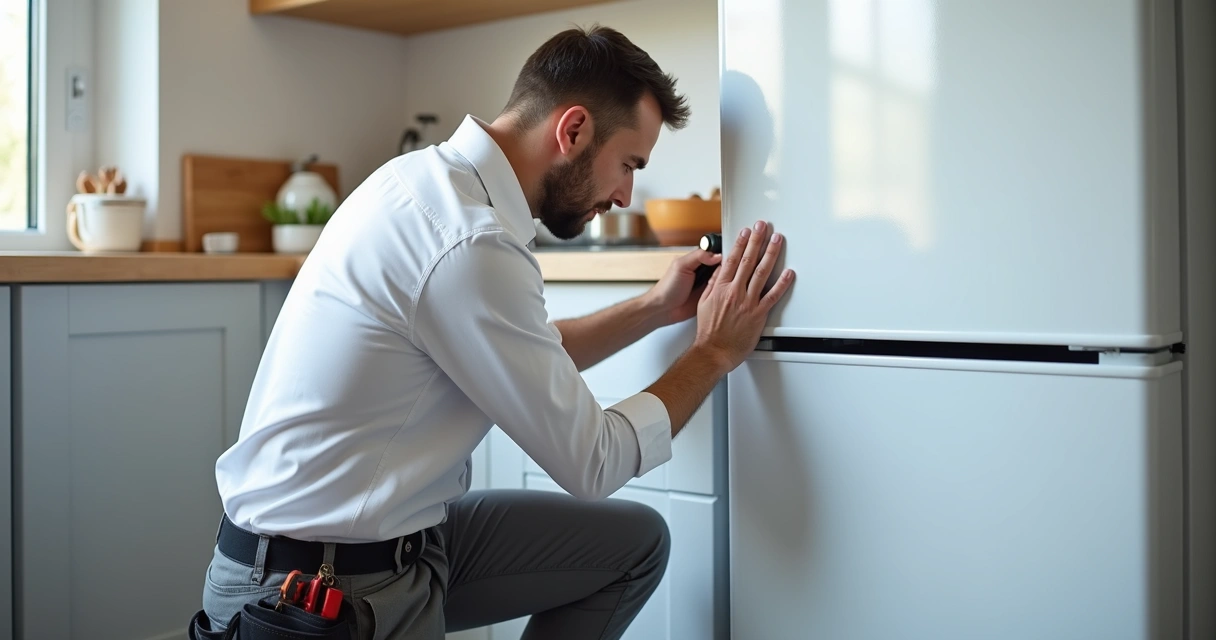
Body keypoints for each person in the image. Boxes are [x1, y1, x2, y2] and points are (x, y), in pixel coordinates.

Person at [202, 24, 794, 640]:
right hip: (316, 593)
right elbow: (595, 463)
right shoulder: (468, 240)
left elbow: (525, 356)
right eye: (628, 165)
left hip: (392, 543)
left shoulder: (423, 183)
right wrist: (712, 352)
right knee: (625, 530)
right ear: (573, 130)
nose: (625, 195)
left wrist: (653, 307)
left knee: (633, 544)